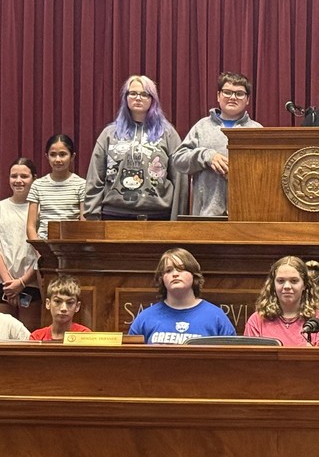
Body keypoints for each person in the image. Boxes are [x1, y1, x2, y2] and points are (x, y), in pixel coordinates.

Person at [84, 75, 185, 220]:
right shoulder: (109, 134)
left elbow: (180, 178)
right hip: (114, 216)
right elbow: (95, 177)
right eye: (133, 93)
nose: (138, 98)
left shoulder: (168, 134)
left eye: (144, 94)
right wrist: (92, 216)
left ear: (152, 99)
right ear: (126, 97)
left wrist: (177, 218)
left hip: (158, 217)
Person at [172, 72, 263, 216]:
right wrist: (206, 156)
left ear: (247, 100)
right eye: (227, 92)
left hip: (247, 215)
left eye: (239, 93)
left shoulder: (257, 130)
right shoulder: (202, 127)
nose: (233, 97)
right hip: (206, 215)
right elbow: (178, 160)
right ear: (218, 96)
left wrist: (241, 170)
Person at [128, 248, 235, 344]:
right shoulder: (145, 318)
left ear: (194, 275)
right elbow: (128, 360)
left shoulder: (216, 317)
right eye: (168, 270)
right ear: (162, 278)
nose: (175, 274)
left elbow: (233, 359)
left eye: (181, 269)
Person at [0, 158, 42, 332]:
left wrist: (22, 282)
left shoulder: (41, 210)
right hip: (2, 283)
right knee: (2, 334)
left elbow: (43, 252)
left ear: (34, 178)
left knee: (29, 336)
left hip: (31, 282)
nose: (18, 180)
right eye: (13, 176)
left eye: (24, 176)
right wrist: (9, 283)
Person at [244, 255, 319, 346]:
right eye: (280, 281)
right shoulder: (257, 320)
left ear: (304, 285)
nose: (287, 286)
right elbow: (249, 359)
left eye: (294, 281)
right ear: (273, 285)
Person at [27, 134, 86, 240]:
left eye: (63, 154)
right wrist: (39, 248)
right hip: (44, 246)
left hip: (72, 245)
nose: (57, 159)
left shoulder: (81, 185)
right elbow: (31, 226)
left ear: (72, 157)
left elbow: (84, 223)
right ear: (47, 156)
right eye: (53, 155)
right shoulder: (38, 185)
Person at [29, 274, 91, 341]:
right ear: (48, 303)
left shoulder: (84, 335)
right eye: (58, 301)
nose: (63, 308)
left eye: (70, 303)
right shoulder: (37, 337)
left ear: (77, 306)